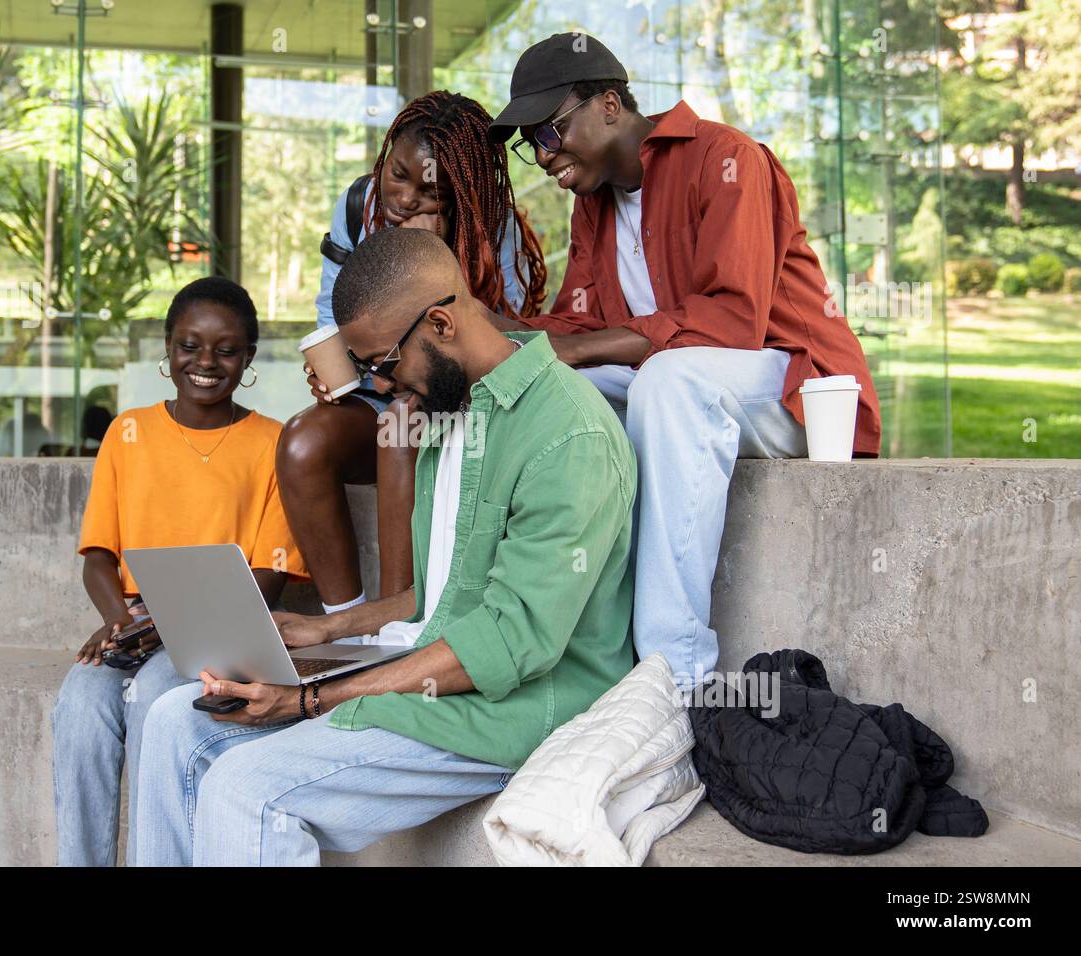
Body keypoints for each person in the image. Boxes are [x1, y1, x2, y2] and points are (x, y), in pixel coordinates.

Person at [134, 227, 635, 866]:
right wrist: (329, 630)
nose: (381, 386)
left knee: (246, 790)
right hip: (441, 675)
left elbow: (510, 642)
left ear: (440, 324)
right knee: (178, 719)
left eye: (382, 364)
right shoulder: (453, 412)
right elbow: (444, 593)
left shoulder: (568, 435)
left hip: (512, 710)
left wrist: (311, 699)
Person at [487, 33, 882, 688]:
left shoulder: (726, 158)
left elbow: (731, 322)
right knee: (548, 386)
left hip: (797, 387)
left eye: (551, 132)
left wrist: (579, 347)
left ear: (610, 105)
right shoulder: (595, 207)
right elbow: (575, 326)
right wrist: (481, 330)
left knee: (666, 378)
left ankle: (674, 675)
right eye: (533, 144)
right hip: (692, 390)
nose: (544, 156)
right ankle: (542, 641)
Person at [51, 277, 308, 866]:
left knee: (152, 703)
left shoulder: (274, 444)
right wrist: (123, 624)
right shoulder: (128, 432)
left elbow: (266, 581)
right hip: (136, 619)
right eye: (190, 345)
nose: (206, 362)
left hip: (222, 626)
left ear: (248, 358)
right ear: (168, 350)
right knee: (82, 706)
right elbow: (98, 557)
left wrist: (166, 627)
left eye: (227, 349)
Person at [276, 90, 547, 619]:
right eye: (397, 174)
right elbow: (332, 318)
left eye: (429, 194)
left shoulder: (494, 228)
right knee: (302, 443)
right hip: (379, 389)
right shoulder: (359, 206)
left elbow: (506, 342)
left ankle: (398, 626)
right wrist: (339, 370)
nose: (402, 199)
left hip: (457, 402)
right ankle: (347, 623)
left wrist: (437, 258)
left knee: (400, 425)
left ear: (463, 197)